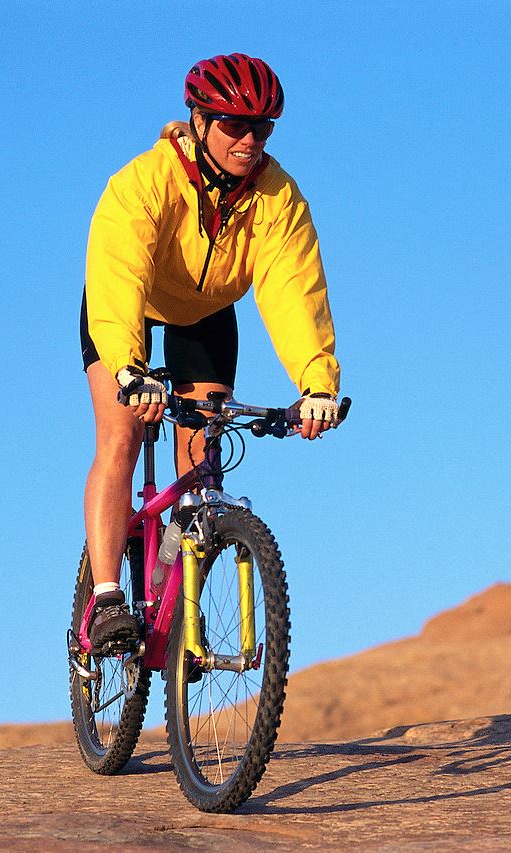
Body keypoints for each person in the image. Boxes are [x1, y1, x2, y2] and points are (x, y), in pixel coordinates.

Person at [80, 53, 341, 650]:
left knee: (202, 477)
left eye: (263, 129)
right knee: (120, 435)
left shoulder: (278, 198)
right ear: (198, 122)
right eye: (234, 126)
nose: (250, 140)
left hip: (205, 315)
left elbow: (294, 289)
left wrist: (316, 383)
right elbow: (119, 275)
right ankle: (106, 598)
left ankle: (181, 594)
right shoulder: (144, 183)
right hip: (128, 310)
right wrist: (127, 367)